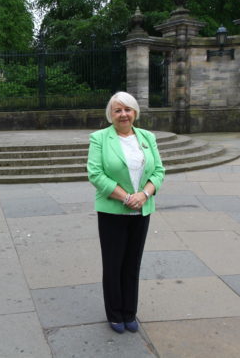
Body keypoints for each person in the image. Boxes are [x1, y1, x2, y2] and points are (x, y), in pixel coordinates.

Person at [87, 91, 165, 334]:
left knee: (133, 263)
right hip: (112, 211)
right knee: (113, 264)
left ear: (135, 113)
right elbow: (96, 174)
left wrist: (145, 194)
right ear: (111, 114)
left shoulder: (147, 137)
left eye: (128, 109)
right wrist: (126, 197)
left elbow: (159, 171)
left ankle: (130, 312)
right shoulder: (100, 138)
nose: (123, 114)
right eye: (118, 110)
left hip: (142, 210)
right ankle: (115, 313)